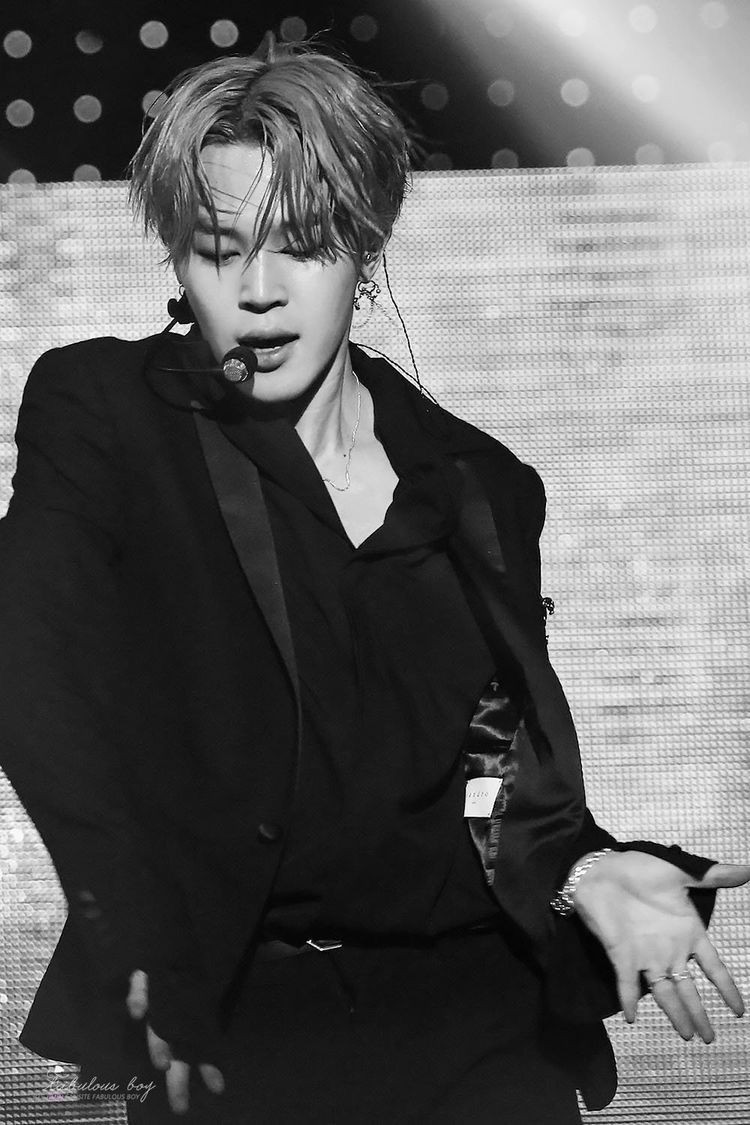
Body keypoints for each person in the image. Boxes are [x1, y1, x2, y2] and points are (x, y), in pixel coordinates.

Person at [0, 33, 747, 1125]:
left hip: (481, 1024)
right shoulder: (110, 416)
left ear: (366, 239)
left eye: (302, 246)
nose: (260, 291)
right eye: (219, 250)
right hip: (248, 1020)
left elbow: (487, 768)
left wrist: (585, 868)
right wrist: (131, 925)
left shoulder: (479, 483)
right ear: (177, 261)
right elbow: (31, 663)